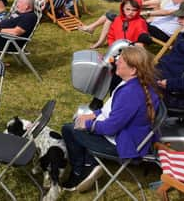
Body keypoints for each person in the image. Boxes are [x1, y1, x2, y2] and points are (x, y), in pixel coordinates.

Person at [62, 45, 160, 192]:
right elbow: (114, 109)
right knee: (75, 126)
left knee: (70, 129)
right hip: (127, 135)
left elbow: (111, 127)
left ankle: (81, 172)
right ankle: (90, 163)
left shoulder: (131, 93)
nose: (116, 61)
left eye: (121, 61)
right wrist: (94, 114)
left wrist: (88, 125)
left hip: (125, 144)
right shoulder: (134, 83)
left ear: (133, 70)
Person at [78, 0, 150, 49]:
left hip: (131, 52)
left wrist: (141, 41)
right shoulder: (118, 20)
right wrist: (112, 46)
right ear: (123, 8)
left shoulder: (140, 22)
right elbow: (111, 35)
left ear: (139, 10)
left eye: (134, 10)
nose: (131, 12)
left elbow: (142, 34)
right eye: (128, 9)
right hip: (116, 49)